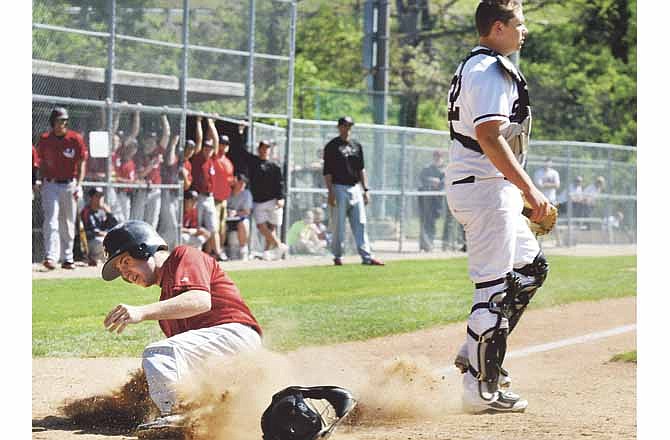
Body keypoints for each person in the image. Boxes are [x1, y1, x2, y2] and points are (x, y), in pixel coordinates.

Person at [445, 0, 551, 413]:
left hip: (487, 187)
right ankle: (480, 389)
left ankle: (474, 350)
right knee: (493, 289)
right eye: (518, 24)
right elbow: (490, 135)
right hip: (486, 189)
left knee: (530, 269)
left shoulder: (478, 65)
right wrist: (530, 190)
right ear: (497, 28)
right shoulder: (490, 70)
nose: (524, 31)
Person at [100, 220, 262, 434]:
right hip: (224, 359)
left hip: (235, 334)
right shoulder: (166, 312)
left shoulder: (184, 255)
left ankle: (175, 417)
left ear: (144, 248)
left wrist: (142, 311)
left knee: (160, 352)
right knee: (163, 365)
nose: (125, 274)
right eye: (120, 270)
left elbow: (200, 300)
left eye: (126, 262)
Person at [323, 116, 384, 266]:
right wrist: (330, 192)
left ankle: (367, 256)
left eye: (350, 126)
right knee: (339, 225)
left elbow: (361, 169)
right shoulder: (332, 146)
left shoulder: (356, 145)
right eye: (345, 125)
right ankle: (338, 256)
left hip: (354, 187)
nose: (347, 128)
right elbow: (327, 172)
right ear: (339, 127)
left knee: (360, 223)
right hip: (338, 187)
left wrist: (366, 189)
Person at [36, 107, 89, 270]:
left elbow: (81, 163)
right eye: (60, 121)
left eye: (65, 121)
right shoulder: (45, 139)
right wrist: (39, 180)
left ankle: (68, 258)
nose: (63, 124)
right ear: (53, 122)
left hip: (69, 184)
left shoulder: (75, 139)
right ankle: (51, 257)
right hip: (50, 184)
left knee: (68, 222)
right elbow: (40, 162)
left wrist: (79, 185)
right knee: (51, 220)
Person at [243, 140, 288, 261]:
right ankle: (279, 245)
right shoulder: (253, 161)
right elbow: (242, 151)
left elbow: (280, 183)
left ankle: (267, 253)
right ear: (259, 149)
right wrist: (240, 132)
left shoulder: (275, 166)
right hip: (258, 201)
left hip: (273, 200)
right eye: (263, 147)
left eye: (267, 148)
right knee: (261, 226)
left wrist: (281, 198)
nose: (265, 150)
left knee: (272, 227)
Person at [190, 117, 226, 261]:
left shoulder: (212, 158)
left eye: (210, 148)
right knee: (197, 226)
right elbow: (199, 140)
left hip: (209, 197)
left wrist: (211, 124)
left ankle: (217, 253)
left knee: (213, 227)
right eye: (206, 148)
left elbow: (215, 141)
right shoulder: (198, 158)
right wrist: (199, 122)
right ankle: (196, 254)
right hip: (198, 197)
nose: (208, 150)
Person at [131, 112, 170, 229]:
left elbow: (167, 134)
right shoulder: (139, 155)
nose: (151, 141)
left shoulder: (158, 152)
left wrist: (163, 116)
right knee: (137, 221)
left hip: (155, 190)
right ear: (143, 141)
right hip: (142, 190)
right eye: (148, 139)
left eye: (153, 139)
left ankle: (150, 246)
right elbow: (139, 176)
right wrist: (152, 165)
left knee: (152, 221)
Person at [80, 187, 118, 265]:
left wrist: (109, 213)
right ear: (91, 198)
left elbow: (115, 226)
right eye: (97, 196)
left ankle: (105, 260)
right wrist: (103, 233)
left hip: (99, 239)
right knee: (102, 241)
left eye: (101, 196)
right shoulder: (86, 211)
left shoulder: (102, 211)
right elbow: (88, 231)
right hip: (88, 242)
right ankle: (92, 258)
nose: (100, 199)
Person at [417, 150, 446, 252]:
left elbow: (444, 183)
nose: (437, 158)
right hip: (425, 200)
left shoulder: (445, 170)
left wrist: (438, 183)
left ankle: (431, 243)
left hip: (437, 201)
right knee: (424, 222)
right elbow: (421, 179)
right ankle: (424, 244)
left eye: (439, 156)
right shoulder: (427, 169)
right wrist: (430, 180)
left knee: (432, 222)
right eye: (435, 156)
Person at [212, 133, 235, 258]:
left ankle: (219, 251)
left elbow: (229, 180)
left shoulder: (228, 161)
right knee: (213, 227)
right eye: (222, 143)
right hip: (214, 199)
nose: (224, 146)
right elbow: (214, 139)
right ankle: (212, 252)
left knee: (222, 228)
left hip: (224, 199)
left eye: (226, 144)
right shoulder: (215, 157)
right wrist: (211, 124)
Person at [224, 174, 253, 260]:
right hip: (227, 219)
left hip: (240, 219)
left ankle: (243, 250)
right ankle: (223, 251)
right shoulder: (227, 192)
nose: (242, 185)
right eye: (240, 183)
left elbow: (247, 211)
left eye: (244, 183)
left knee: (243, 223)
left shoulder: (246, 194)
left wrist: (235, 212)